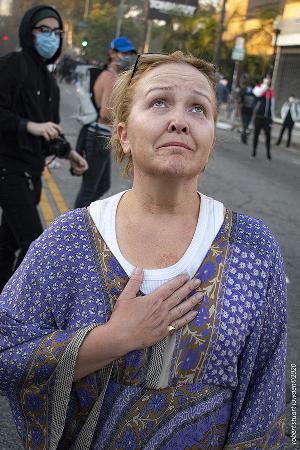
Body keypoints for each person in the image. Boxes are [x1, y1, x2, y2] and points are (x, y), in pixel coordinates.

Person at [0, 52, 286, 449]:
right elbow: (6, 351)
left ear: (211, 139)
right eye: (159, 102)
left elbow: (267, 394)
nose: (179, 120)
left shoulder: (254, 249)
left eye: (198, 109)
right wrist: (112, 339)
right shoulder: (69, 241)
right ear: (123, 134)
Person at [0, 5, 88, 292]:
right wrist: (28, 125)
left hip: (33, 171)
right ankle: (16, 304)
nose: (51, 37)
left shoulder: (50, 81)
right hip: (9, 169)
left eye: (56, 32)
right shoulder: (13, 65)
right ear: (30, 31)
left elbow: (52, 131)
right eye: (44, 30)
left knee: (9, 241)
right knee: (33, 243)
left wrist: (70, 153)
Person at [74, 36, 136, 208]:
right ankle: (77, 226)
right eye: (123, 53)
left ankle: (88, 217)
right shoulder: (110, 77)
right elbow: (105, 113)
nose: (127, 57)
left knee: (102, 185)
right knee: (89, 189)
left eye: (130, 53)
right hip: (98, 135)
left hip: (101, 135)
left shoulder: (114, 76)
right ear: (112, 53)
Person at [251, 75, 273, 160]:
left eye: (269, 78)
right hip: (258, 116)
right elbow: (257, 93)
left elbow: (272, 105)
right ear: (264, 79)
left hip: (267, 117)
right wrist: (264, 85)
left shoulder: (270, 91)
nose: (268, 80)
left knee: (268, 135)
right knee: (256, 134)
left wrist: (272, 117)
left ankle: (268, 152)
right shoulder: (258, 88)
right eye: (267, 78)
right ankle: (254, 151)